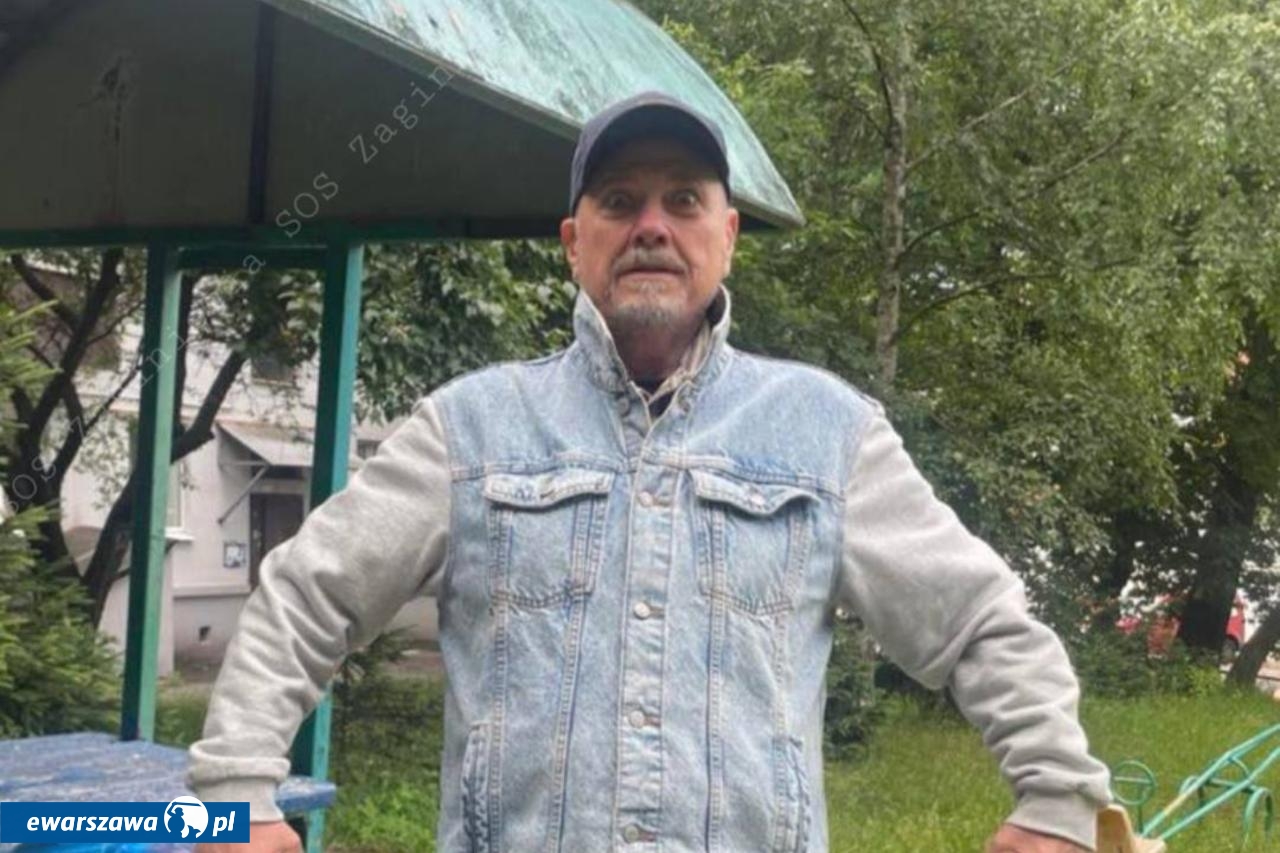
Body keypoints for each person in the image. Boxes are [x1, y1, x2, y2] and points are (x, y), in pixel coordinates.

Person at [188, 91, 1112, 853]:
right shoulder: (469, 431)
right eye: (620, 201)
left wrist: (1060, 801)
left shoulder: (828, 436)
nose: (652, 227)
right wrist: (233, 798)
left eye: (684, 201)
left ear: (728, 234)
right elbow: (306, 595)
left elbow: (977, 622)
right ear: (573, 240)